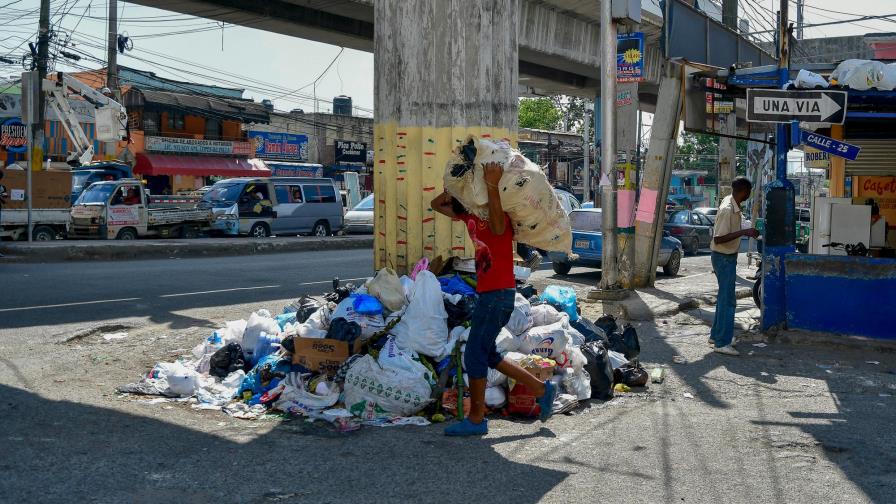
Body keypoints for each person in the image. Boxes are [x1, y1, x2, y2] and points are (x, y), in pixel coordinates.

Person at [431, 161, 557, 436]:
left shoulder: (498, 217)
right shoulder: (470, 216)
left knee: (475, 354)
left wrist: (491, 183)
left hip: (498, 295)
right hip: (488, 293)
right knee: (487, 354)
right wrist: (454, 187)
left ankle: (477, 419)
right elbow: (436, 204)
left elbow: (499, 230)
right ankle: (540, 389)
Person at [709, 177, 759, 356]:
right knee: (728, 301)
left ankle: (717, 336)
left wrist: (746, 229)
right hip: (723, 258)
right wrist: (745, 232)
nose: (749, 194)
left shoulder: (732, 203)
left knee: (724, 299)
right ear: (744, 191)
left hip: (726, 257)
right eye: (749, 191)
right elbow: (718, 238)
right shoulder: (727, 209)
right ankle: (722, 342)